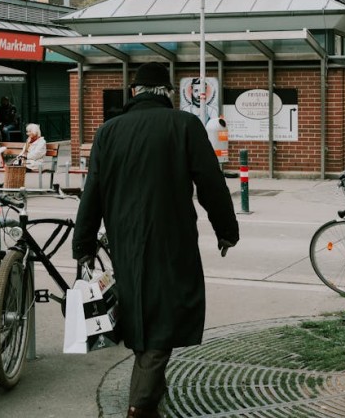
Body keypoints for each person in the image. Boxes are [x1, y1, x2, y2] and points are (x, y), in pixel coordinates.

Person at [72, 62, 240, 418]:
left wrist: (83, 244)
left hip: (124, 239)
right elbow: (211, 183)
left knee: (140, 310)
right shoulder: (184, 125)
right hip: (172, 238)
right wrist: (226, 230)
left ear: (134, 91)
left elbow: (93, 192)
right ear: (168, 93)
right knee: (164, 315)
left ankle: (152, 390)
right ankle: (141, 405)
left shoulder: (108, 131)